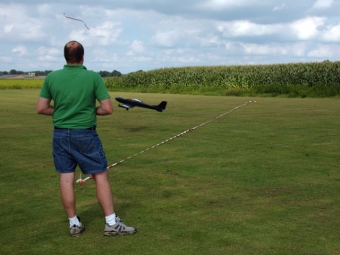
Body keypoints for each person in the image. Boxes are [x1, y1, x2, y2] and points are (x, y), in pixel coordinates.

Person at [36, 40, 136, 237]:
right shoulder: (92, 77)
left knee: (66, 177)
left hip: (60, 133)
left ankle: (74, 224)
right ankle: (111, 223)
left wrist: (64, 111)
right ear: (83, 57)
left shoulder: (52, 77)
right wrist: (88, 110)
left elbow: (42, 108)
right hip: (85, 134)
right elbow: (108, 109)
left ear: (65, 57)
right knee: (100, 175)